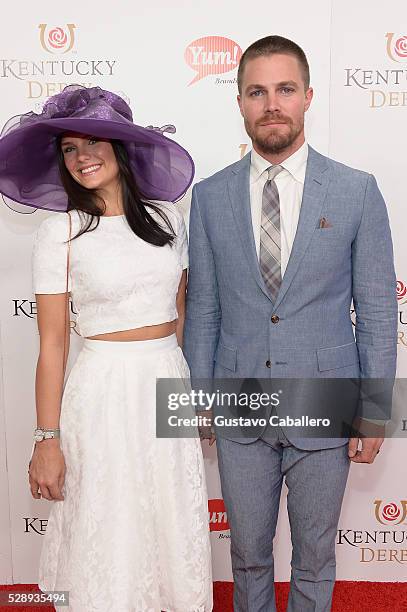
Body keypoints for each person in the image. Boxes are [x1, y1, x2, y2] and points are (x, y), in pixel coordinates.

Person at [183, 36, 397, 611]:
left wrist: (375, 414)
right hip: (237, 402)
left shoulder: (356, 190)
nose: (271, 103)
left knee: (315, 556)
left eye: (284, 89)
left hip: (325, 399)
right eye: (257, 91)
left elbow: (378, 309)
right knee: (247, 554)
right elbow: (203, 308)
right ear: (240, 102)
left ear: (308, 97)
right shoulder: (208, 197)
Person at [0, 85, 213, 611]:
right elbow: (51, 346)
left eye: (94, 142)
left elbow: (183, 317)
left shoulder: (168, 222)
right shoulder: (60, 234)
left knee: (167, 518)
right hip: (100, 393)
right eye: (69, 148)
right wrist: (46, 439)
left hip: (166, 380)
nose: (82, 157)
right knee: (108, 523)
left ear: (121, 147)